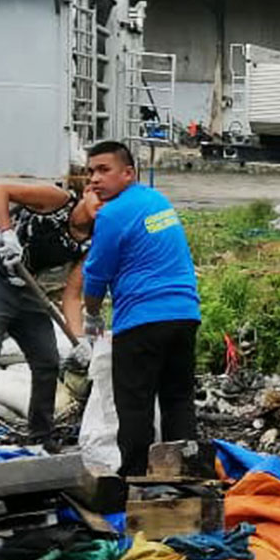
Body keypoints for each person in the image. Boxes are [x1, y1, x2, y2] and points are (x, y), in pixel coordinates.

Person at [80, 141, 201, 482]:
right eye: (91, 172)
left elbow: (96, 275)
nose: (94, 180)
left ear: (128, 172)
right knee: (178, 399)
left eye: (104, 170)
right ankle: (185, 478)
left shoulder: (113, 214)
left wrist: (91, 317)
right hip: (184, 314)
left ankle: (134, 480)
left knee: (135, 405)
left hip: (142, 320)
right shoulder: (154, 200)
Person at [0, 177, 97, 442]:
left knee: (47, 360)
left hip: (28, 287)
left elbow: (71, 295)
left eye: (112, 204)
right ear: (88, 191)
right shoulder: (58, 201)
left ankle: (41, 435)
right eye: (100, 199)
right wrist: (6, 232)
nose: (103, 207)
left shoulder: (93, 242)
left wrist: (79, 339)